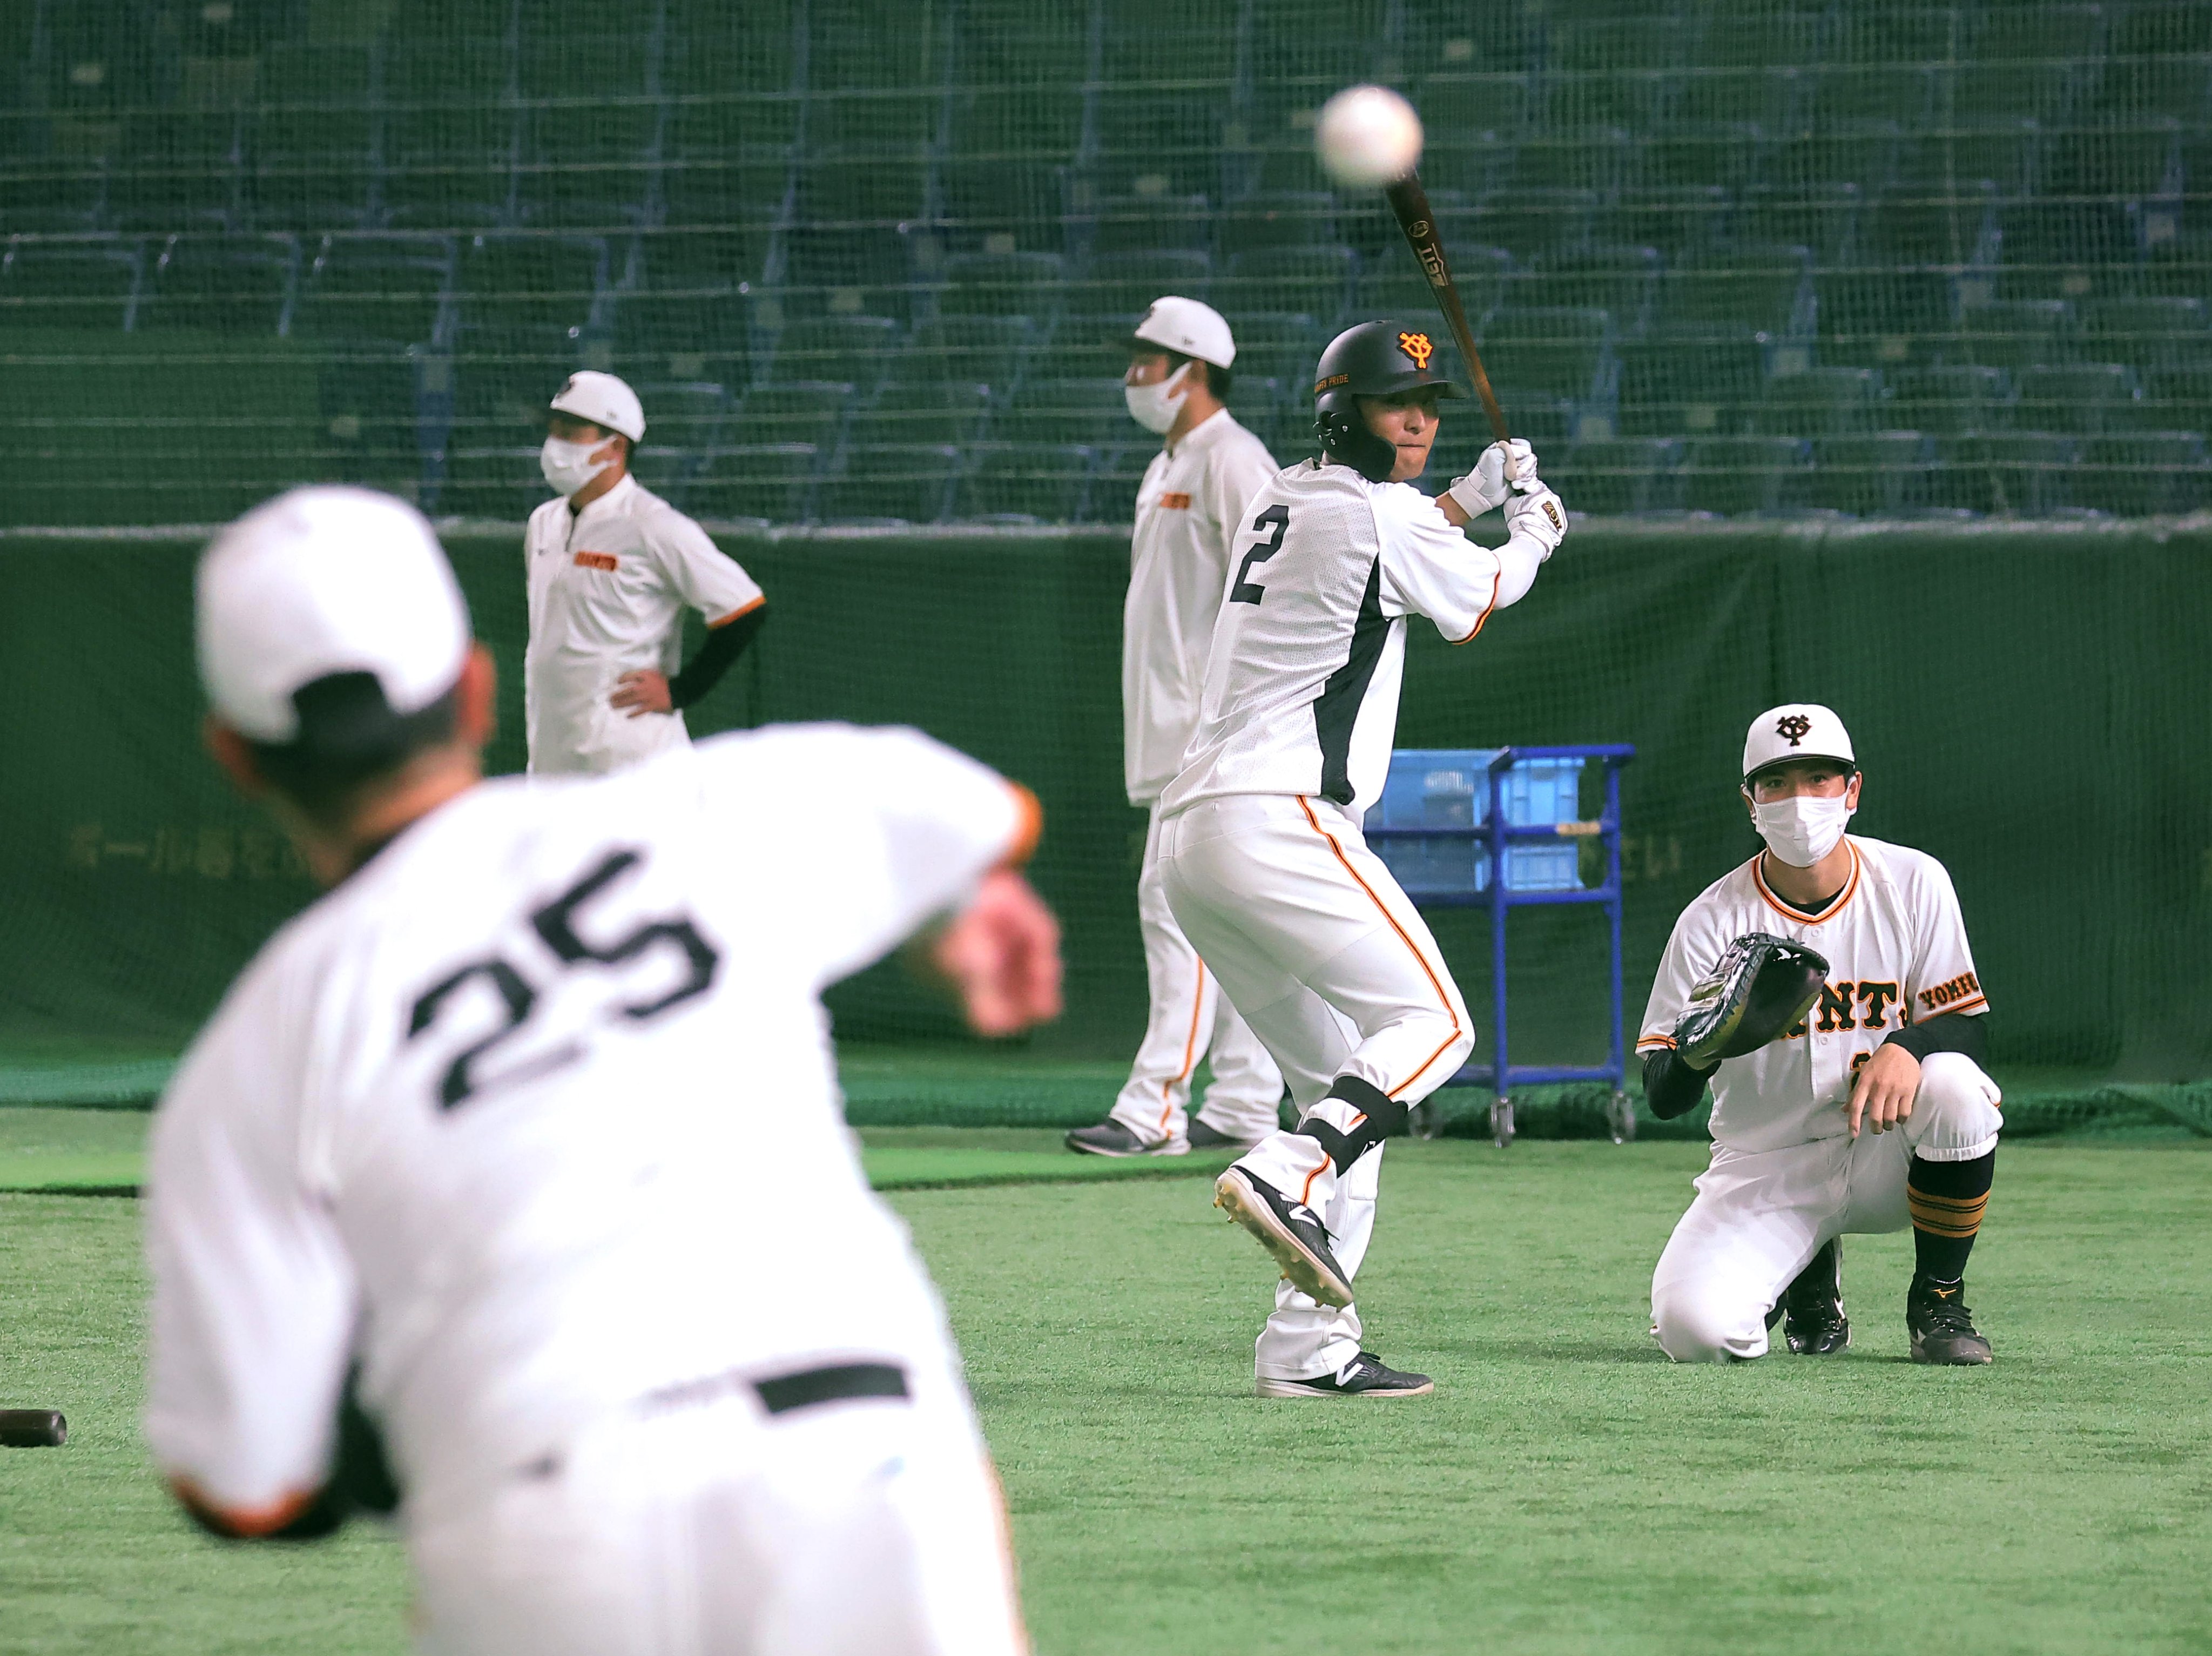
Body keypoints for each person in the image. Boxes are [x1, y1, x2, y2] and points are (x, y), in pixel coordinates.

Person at [146, 485, 1059, 1654]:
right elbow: (961, 809)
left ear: (233, 758)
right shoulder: (697, 813)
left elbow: (245, 1482)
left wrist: (376, 1430)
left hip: (545, 1512)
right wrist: (962, 911)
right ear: (478, 690)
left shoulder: (255, 1055)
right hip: (862, 1453)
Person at [1158, 321, 1570, 1397]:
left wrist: (1465, 498)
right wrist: (1532, 527)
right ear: (1346, 412)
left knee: (1350, 1094)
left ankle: (1308, 1350)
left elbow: (1386, 546)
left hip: (1194, 840)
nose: (1421, 420)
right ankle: (1284, 1168)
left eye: (1429, 405)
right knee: (1436, 1028)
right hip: (1278, 817)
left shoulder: (1286, 495)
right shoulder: (1378, 515)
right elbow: (1481, 595)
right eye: (1399, 404)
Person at [1639, 704, 2001, 1366]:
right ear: (1750, 802)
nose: (1799, 801)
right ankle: (1805, 1266)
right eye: (1776, 783)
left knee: (1955, 1085)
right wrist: (1702, 1050)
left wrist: (1908, 1046)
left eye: (1818, 778)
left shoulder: (1913, 882)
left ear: (1851, 790)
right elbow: (1662, 1096)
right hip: (1765, 1168)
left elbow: (1969, 1025)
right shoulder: (1710, 922)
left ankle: (1938, 1301)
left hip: (1884, 1152)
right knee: (1696, 1333)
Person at [1065, 297, 1287, 1158]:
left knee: (1174, 908)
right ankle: (1243, 1102)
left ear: (1192, 370)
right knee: (1228, 915)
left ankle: (1154, 1107)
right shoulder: (1169, 464)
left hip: (1212, 733)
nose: (1133, 374)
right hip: (1177, 728)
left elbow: (1276, 592)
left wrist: (1234, 715)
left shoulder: (1234, 459)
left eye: (1146, 359)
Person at [525, 370, 769, 776]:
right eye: (553, 430)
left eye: (570, 432)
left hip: (633, 761)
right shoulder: (543, 524)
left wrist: (680, 691)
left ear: (615, 446)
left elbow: (745, 608)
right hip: (552, 757)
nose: (554, 444)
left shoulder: (654, 526)